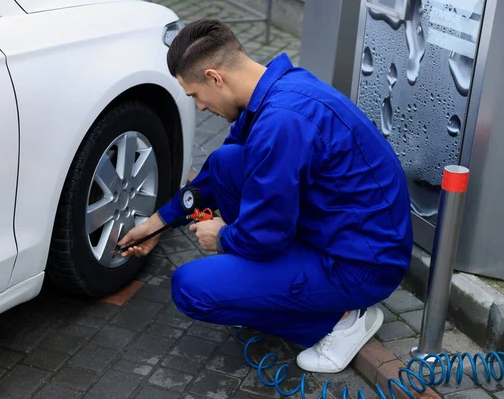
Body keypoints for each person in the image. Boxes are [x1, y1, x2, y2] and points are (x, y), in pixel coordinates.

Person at [117, 19, 413, 373]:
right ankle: (281, 282)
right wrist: (158, 223)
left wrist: (222, 236)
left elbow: (264, 237)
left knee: (191, 288)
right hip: (342, 231)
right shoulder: (278, 87)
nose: (198, 107)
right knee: (227, 161)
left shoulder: (280, 122)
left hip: (361, 266)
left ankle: (341, 321)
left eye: (194, 95)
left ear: (214, 77)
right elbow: (216, 176)